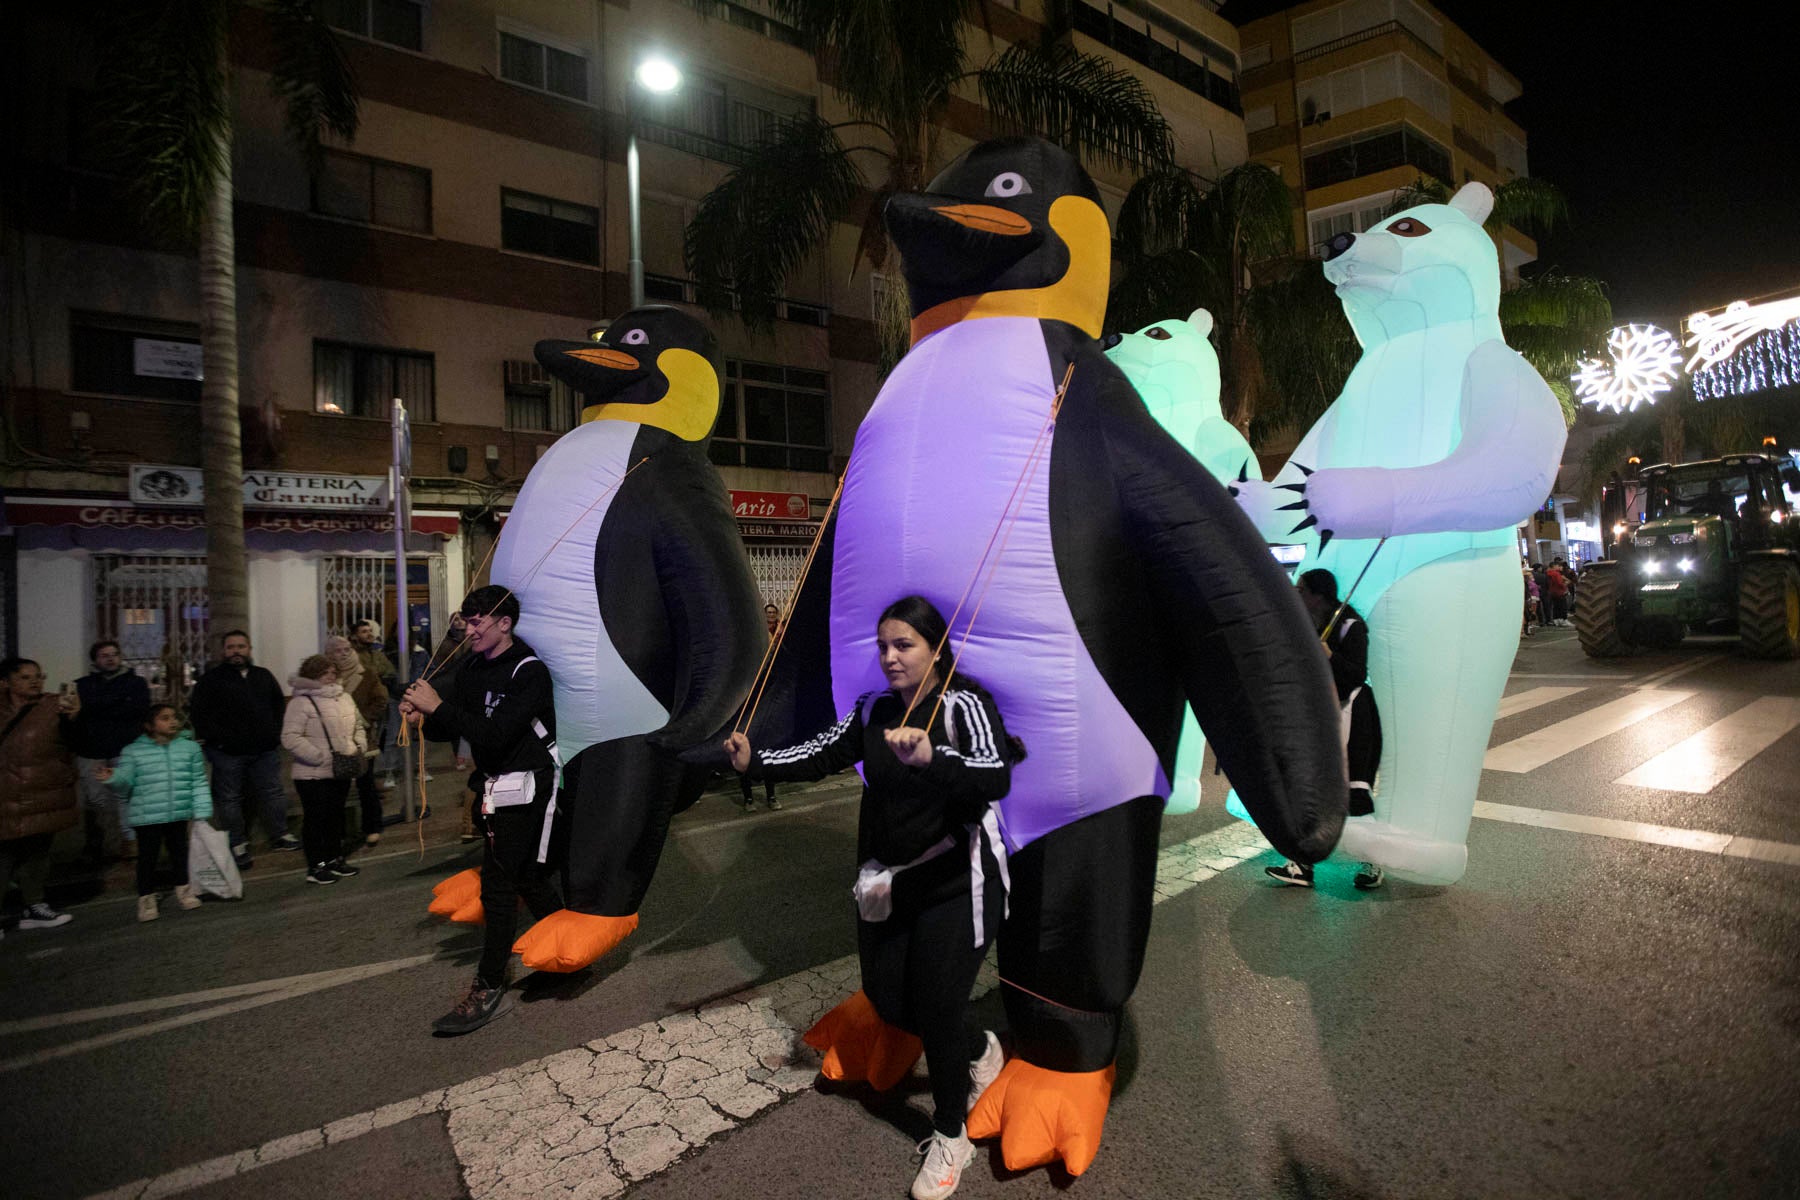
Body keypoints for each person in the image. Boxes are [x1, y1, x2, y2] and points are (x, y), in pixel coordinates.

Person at [723, 595, 1017, 1200]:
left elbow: (994, 775)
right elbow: (821, 753)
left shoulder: (965, 704)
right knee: (888, 997)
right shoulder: (873, 708)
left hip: (958, 883)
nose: (890, 657)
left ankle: (950, 1134)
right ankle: (979, 1048)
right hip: (890, 882)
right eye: (883, 646)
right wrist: (757, 762)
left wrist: (934, 757)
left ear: (936, 650)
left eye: (904, 645)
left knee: (937, 1005)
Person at [404, 585, 562, 1036]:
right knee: (527, 877)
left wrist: (437, 707)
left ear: (504, 624)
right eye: (465, 621)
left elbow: (495, 734)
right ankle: (565, 958)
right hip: (492, 789)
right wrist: (423, 717)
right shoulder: (473, 667)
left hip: (528, 790)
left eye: (477, 622)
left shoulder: (529, 672)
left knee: (498, 886)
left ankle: (489, 985)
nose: (468, 630)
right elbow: (456, 726)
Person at [1267, 570, 1386, 891]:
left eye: (1301, 590)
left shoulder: (1350, 626)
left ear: (1318, 596)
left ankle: (1372, 861)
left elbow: (1356, 675)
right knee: (1311, 788)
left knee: (1356, 787)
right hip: (1318, 714)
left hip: (1354, 714)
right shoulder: (1304, 623)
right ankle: (1302, 865)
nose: (1296, 594)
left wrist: (1330, 656)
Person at [189, 631, 294, 869]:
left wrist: (273, 734)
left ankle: (280, 834)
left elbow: (278, 705)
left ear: (249, 649)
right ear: (223, 651)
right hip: (227, 753)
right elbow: (199, 714)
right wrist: (219, 742)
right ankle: (237, 843)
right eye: (231, 647)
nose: (236, 651)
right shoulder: (211, 679)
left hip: (264, 750)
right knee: (229, 799)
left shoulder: (263, 675)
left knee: (273, 792)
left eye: (241, 646)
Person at [98, 704, 212, 922]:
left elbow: (198, 781)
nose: (173, 722)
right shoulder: (133, 751)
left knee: (179, 853)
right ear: (149, 725)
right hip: (147, 815)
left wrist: (201, 810)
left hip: (178, 812)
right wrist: (113, 777)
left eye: (174, 717)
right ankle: (146, 898)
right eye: (164, 718)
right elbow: (126, 783)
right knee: (147, 858)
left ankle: (184, 890)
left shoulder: (189, 748)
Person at [0, 657, 80, 933]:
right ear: (6, 682)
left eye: (38, 676)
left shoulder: (53, 706)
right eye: (25, 677)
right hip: (6, 795)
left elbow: (77, 742)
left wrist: (73, 718)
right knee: (4, 855)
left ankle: (34, 906)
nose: (34, 681)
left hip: (42, 794)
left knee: (37, 853)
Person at [282, 654, 367, 886]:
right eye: (323, 672)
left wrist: (357, 746)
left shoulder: (344, 698)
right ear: (311, 675)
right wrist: (317, 756)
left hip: (341, 768)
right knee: (316, 819)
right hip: (312, 774)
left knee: (335, 816)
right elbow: (290, 737)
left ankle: (334, 859)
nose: (329, 676)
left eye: (332, 672)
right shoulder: (301, 702)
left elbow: (358, 726)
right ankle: (316, 865)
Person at [71, 639, 151, 866]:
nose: (110, 658)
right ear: (95, 660)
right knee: (95, 800)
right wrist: (115, 703)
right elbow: (75, 716)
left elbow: (137, 710)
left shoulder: (136, 683)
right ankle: (98, 845)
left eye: (114, 654)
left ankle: (129, 844)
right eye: (104, 655)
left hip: (123, 748)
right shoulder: (82, 685)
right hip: (92, 749)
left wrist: (92, 708)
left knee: (125, 797)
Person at [326, 636, 388, 847]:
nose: (344, 654)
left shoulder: (366, 674)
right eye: (338, 650)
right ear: (329, 654)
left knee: (365, 783)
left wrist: (362, 720)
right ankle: (339, 832)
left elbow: (380, 700)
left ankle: (372, 826)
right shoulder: (326, 676)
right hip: (335, 740)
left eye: (347, 649)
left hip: (362, 737)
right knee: (338, 788)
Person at [352, 620, 400, 790]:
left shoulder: (377, 653)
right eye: (364, 631)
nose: (369, 634)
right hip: (362, 705)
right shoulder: (353, 655)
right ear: (355, 635)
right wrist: (375, 676)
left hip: (379, 703)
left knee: (378, 740)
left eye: (370, 630)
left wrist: (375, 676)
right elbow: (363, 676)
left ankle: (370, 780)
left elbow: (390, 671)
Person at [1545, 559, 1570, 626]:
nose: (1561, 567)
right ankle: (1564, 620)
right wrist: (1565, 585)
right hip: (1559, 592)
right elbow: (1559, 583)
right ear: (1555, 566)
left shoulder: (1548, 573)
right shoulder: (1556, 574)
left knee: (1556, 607)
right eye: (1559, 566)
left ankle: (1556, 620)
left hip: (1552, 593)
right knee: (1563, 607)